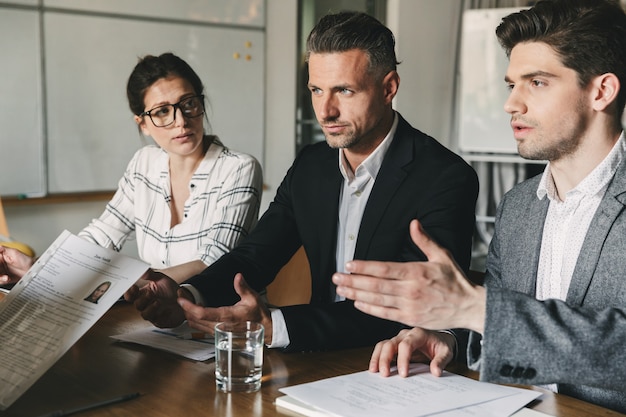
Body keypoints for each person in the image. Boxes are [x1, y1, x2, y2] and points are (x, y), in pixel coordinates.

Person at [332, 0, 626, 412]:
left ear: (601, 91)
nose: (511, 103)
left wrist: (473, 307)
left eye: (537, 83)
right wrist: (449, 336)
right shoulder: (518, 207)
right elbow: (505, 320)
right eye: (511, 84)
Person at [125, 11, 479, 353]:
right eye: (316, 90)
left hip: (397, 362)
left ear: (389, 88)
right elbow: (256, 255)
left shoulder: (446, 177)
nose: (325, 111)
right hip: (317, 359)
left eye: (344, 91)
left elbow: (412, 308)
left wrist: (274, 326)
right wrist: (189, 295)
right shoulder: (312, 165)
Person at [0, 53, 263, 286]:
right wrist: (37, 268)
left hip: (223, 323)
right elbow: (102, 235)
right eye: (162, 111)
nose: (181, 121)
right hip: (157, 321)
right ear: (143, 125)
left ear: (201, 104)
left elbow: (214, 260)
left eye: (189, 103)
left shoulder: (238, 168)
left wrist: (132, 285)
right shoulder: (144, 163)